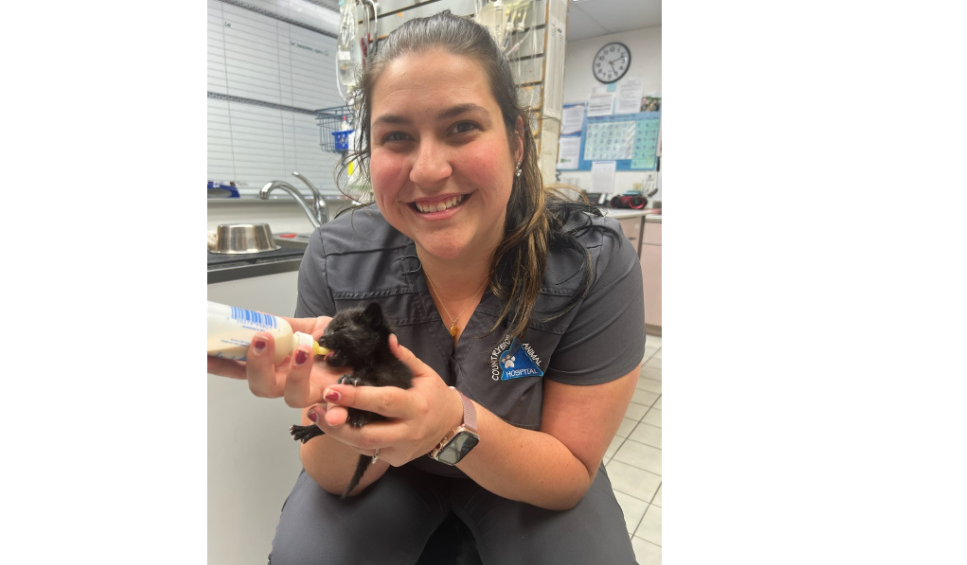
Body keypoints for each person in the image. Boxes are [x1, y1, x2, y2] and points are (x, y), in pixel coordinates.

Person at [207, 10, 646, 564]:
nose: (429, 169)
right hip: (388, 475)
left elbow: (568, 474)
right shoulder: (337, 261)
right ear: (370, 155)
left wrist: (448, 428)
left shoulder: (590, 261)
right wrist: (338, 410)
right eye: (396, 137)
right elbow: (329, 474)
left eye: (462, 127)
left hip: (526, 463)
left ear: (516, 139)